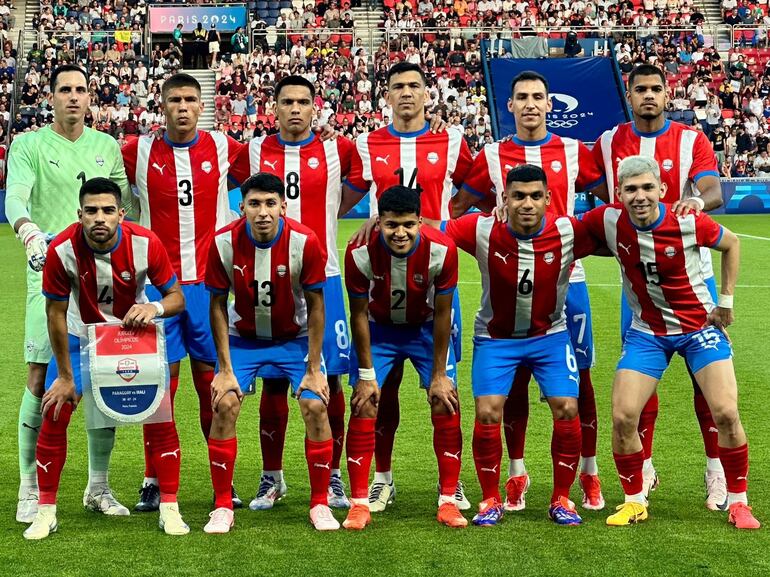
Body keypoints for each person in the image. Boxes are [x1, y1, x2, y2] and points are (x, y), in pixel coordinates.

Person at [452, 70, 608, 513]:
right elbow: (459, 208)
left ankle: (589, 475)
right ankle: (516, 474)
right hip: (508, 276)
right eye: (522, 97)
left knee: (581, 384)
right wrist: (494, 221)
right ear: (511, 105)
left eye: (538, 96)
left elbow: (607, 200)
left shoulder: (575, 151)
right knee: (512, 382)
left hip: (566, 282)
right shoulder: (493, 154)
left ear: (548, 103)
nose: (531, 104)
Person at [581, 156, 760, 530]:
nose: (640, 196)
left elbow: (732, 244)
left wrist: (725, 302)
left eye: (648, 187)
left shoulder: (687, 219)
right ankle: (634, 501)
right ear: (619, 194)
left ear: (662, 190)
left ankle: (739, 502)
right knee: (623, 416)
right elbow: (566, 235)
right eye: (631, 189)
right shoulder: (607, 220)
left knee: (725, 412)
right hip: (647, 332)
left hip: (699, 329)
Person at [593, 63, 728, 510]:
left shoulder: (692, 139)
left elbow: (713, 190)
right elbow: (577, 180)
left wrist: (696, 200)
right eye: (640, 89)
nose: (648, 96)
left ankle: (717, 472)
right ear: (628, 96)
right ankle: (644, 468)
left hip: (694, 277)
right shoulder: (609, 142)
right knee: (639, 379)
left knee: (705, 384)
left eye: (656, 88)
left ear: (667, 94)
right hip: (637, 284)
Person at [24, 177, 186, 539]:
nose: (100, 217)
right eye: (92, 211)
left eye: (108, 210)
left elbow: (177, 298)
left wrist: (153, 306)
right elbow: (54, 313)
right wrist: (65, 377)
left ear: (121, 214)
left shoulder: (146, 243)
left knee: (161, 414)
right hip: (83, 340)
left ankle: (170, 507)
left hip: (133, 341)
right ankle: (45, 510)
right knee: (54, 408)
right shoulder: (62, 249)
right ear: (79, 214)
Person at [229, 75, 363, 511]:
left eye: (303, 102)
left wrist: (325, 216)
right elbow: (227, 188)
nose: (295, 109)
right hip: (267, 274)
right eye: (286, 101)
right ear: (274, 106)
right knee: (272, 380)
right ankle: (273, 478)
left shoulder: (337, 149)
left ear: (314, 106)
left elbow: (354, 191)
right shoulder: (252, 150)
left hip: (322, 276)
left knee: (332, 380)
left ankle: (336, 476)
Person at [5, 64, 131, 524]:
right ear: (51, 97)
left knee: (102, 378)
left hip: (100, 279)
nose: (73, 97)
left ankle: (98, 486)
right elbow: (15, 196)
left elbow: (125, 209)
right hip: (50, 273)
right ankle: (29, 485)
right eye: (64, 90)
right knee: (40, 376)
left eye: (80, 90)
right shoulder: (29, 144)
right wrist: (30, 233)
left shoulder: (106, 146)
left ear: (89, 97)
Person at [346, 61, 474, 513]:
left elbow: (477, 185)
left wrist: (445, 221)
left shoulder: (451, 138)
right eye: (397, 86)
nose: (406, 94)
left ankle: (452, 486)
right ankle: (382, 479)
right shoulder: (369, 141)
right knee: (383, 391)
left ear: (427, 93)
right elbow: (344, 195)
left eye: (414, 86)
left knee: (446, 390)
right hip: (384, 271)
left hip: (433, 272)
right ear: (386, 96)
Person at [444, 164, 599, 527]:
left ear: (548, 199)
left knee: (566, 407)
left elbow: (619, 230)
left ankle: (562, 498)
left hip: (550, 336)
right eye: (517, 196)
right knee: (487, 413)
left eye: (534, 196)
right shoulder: (481, 228)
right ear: (504, 199)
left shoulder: (568, 231)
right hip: (496, 339)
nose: (526, 204)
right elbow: (432, 234)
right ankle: (490, 499)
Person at [121, 73, 243, 511]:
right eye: (175, 99)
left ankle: (222, 484)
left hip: (210, 289)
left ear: (202, 105)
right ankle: (152, 478)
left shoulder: (224, 147)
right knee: (160, 393)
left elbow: (271, 166)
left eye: (191, 99)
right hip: (159, 289)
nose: (184, 107)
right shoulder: (137, 151)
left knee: (214, 388)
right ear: (162, 104)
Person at [203, 172, 337, 533]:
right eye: (254, 204)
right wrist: (225, 368)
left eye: (270, 203)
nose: (263, 212)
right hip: (243, 338)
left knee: (315, 404)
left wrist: (313, 367)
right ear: (241, 207)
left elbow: (317, 305)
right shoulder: (222, 243)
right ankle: (221, 507)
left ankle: (320, 503)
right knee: (224, 403)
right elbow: (216, 305)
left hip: (294, 339)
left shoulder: (304, 241)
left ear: (283, 206)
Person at [342, 185, 465, 530]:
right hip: (380, 330)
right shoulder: (359, 251)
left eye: (408, 224)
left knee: (445, 400)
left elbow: (443, 314)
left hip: (425, 329)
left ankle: (448, 498)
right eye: (391, 224)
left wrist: (439, 374)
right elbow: (359, 314)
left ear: (420, 221)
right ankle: (360, 501)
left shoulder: (442, 249)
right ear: (378, 222)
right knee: (365, 401)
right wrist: (366, 374)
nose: (400, 233)